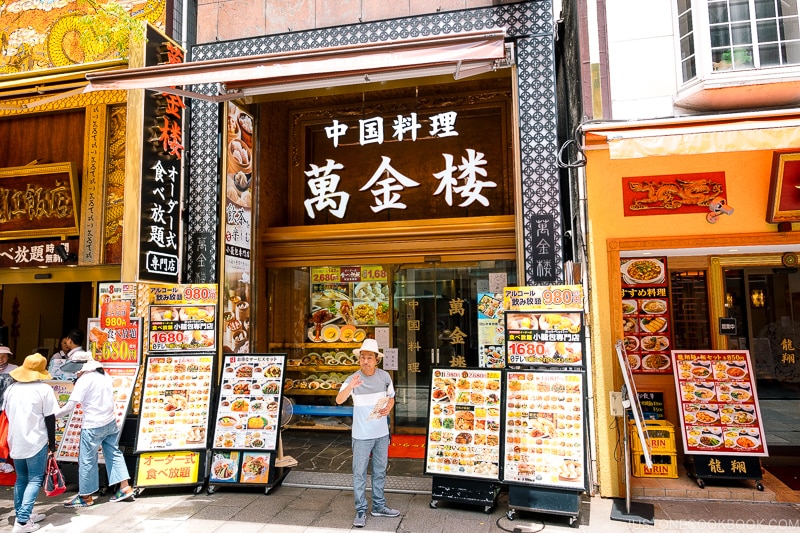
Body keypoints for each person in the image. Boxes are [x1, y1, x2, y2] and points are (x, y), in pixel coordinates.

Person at [335, 338, 400, 528]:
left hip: (381, 434)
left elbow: (391, 398)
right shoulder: (353, 378)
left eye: (369, 357)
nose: (365, 361)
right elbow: (339, 400)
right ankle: (361, 509)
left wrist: (388, 408)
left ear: (376, 360)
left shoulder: (384, 377)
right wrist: (350, 387)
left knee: (380, 471)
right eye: (362, 357)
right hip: (361, 435)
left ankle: (379, 506)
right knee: (359, 473)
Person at [56, 352, 134, 507]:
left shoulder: (85, 380)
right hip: (110, 421)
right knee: (114, 452)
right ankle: (124, 487)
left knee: (87, 460)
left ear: (81, 367)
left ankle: (85, 496)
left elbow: (70, 406)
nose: (76, 372)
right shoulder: (103, 375)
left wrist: (52, 415)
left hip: (93, 424)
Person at [4, 353, 58, 533]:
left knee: (21, 478)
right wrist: (52, 443)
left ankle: (23, 513)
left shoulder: (12, 389)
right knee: (35, 479)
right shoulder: (44, 389)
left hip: (15, 439)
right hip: (36, 439)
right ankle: (22, 521)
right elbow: (50, 419)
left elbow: (6, 413)